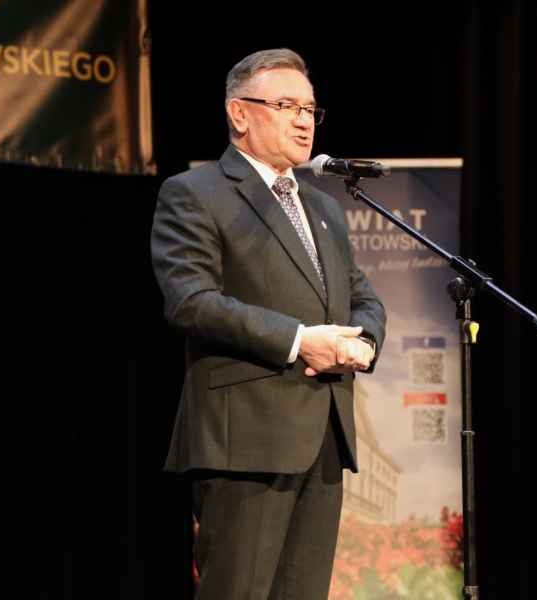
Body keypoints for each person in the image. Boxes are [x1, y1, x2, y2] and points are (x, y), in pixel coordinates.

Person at [150, 48, 386, 599]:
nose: (304, 121)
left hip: (324, 437)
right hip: (245, 442)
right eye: (286, 106)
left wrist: (365, 343)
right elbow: (191, 301)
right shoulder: (195, 193)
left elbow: (363, 297)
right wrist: (300, 341)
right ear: (239, 113)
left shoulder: (324, 207)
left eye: (310, 109)